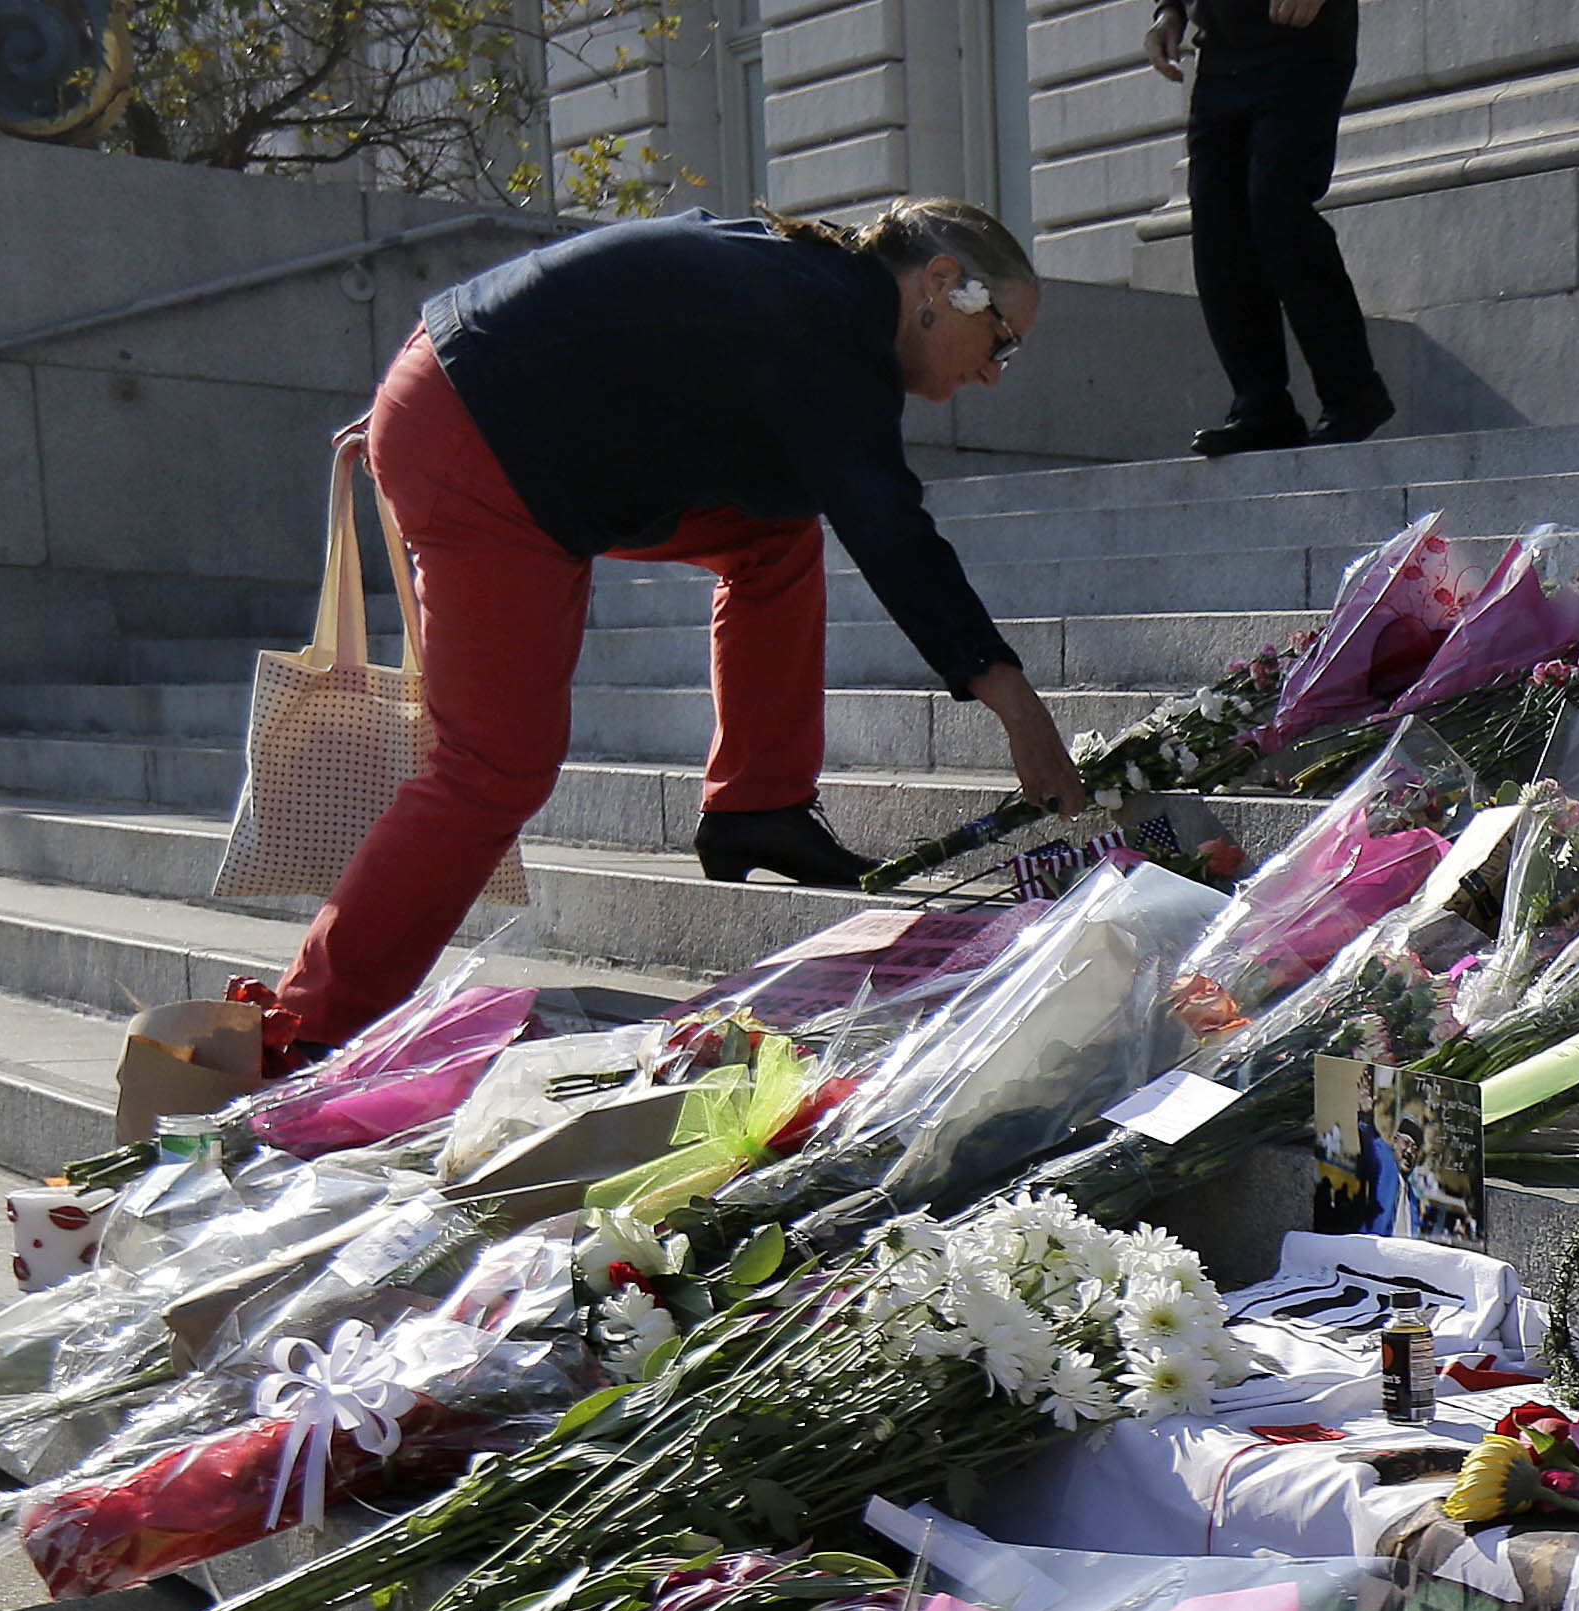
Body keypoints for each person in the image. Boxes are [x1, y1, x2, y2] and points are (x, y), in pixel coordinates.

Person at [261, 201, 1092, 1057]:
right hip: (485, 440)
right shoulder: (832, 324)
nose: (995, 372)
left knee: (775, 532)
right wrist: (1018, 708)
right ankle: (301, 1032)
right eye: (1001, 340)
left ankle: (758, 807)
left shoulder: (818, 285)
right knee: (494, 765)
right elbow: (888, 527)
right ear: (941, 284)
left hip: (490, 403)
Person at [1147, 0, 1391, 458]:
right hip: (1220, 58)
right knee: (1219, 227)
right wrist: (1170, 10)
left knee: (1275, 205)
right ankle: (1261, 407)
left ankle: (1353, 391)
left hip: (1302, 46)